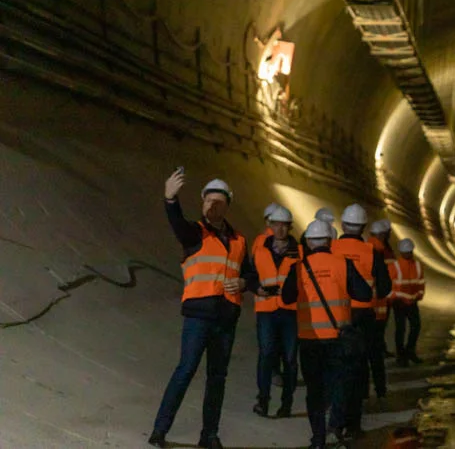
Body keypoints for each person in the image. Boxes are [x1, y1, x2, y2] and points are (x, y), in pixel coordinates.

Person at [149, 172, 254, 449]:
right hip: (199, 315)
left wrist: (244, 282)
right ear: (203, 203)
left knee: (217, 378)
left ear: (227, 205)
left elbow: (251, 275)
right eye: (209, 201)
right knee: (185, 370)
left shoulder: (240, 240)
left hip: (226, 318)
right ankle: (160, 430)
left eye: (218, 202)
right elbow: (177, 224)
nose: (213, 206)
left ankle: (209, 435)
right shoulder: (195, 232)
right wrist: (170, 199)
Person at [280, 219, 373, 449]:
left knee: (314, 390)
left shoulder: (298, 268)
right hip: (337, 337)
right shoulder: (343, 264)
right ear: (330, 241)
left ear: (309, 242)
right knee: (339, 384)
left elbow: (286, 298)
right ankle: (336, 427)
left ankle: (318, 438)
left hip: (310, 339)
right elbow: (364, 294)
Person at [328, 203, 391, 436]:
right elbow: (384, 288)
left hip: (335, 315)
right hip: (363, 317)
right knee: (358, 370)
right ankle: (353, 424)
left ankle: (335, 417)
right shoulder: (371, 253)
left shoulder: (331, 248)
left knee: (337, 367)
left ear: (343, 225)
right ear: (364, 227)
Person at [249, 205, 299, 418]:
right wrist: (256, 288)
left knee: (289, 359)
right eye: (276, 224)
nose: (280, 229)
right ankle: (263, 399)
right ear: (269, 225)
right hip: (266, 309)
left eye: (284, 225)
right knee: (267, 354)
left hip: (290, 311)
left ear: (290, 227)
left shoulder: (300, 252)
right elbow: (250, 274)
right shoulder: (260, 250)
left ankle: (286, 403)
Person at [389, 238, 425, 365]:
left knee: (416, 326)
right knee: (401, 329)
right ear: (402, 252)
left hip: (412, 301)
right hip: (399, 301)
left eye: (410, 252)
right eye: (407, 252)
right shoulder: (395, 266)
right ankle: (401, 356)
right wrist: (395, 297)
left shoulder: (417, 266)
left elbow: (420, 283)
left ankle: (410, 350)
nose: (409, 254)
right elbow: (389, 286)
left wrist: (419, 295)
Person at [369, 218, 395, 358]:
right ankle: (377, 351)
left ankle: (380, 348)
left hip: (376, 295)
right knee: (378, 326)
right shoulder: (380, 250)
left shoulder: (376, 248)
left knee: (377, 327)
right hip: (380, 295)